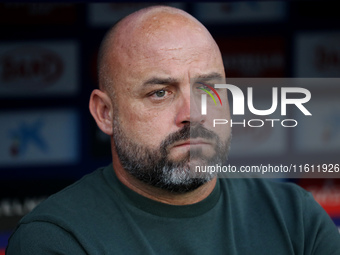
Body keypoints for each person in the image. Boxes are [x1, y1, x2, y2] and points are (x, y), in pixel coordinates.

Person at [6, 6, 340, 255]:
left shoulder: (294, 217)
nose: (192, 115)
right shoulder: (58, 238)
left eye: (208, 89)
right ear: (105, 113)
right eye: (160, 93)